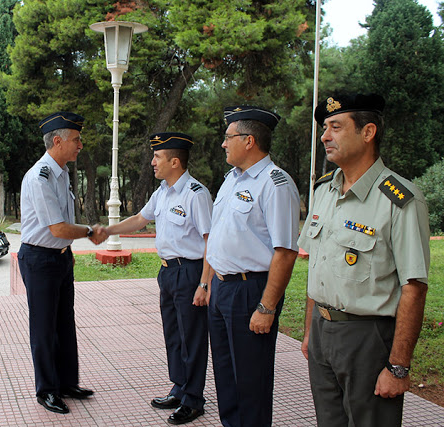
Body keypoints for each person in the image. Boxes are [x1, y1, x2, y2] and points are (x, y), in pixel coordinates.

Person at [299, 93, 430, 426]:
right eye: (324, 127)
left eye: (336, 127)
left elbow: (413, 286)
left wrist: (398, 366)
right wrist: (309, 333)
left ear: (368, 132)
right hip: (322, 333)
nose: (325, 136)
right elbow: (319, 265)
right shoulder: (324, 190)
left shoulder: (399, 199)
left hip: (367, 338)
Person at [103, 132, 212, 425]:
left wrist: (204, 283)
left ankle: (194, 399)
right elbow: (140, 219)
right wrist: (108, 231)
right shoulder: (162, 191)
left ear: (175, 161)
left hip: (190, 273)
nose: (152, 162)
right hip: (167, 272)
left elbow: (209, 241)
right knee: (174, 335)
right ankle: (179, 388)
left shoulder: (195, 194)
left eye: (158, 157)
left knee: (192, 338)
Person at [204, 106, 300, 426]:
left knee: (251, 380)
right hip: (222, 288)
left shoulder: (275, 183)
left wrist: (267, 306)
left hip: (250, 290)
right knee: (227, 376)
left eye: (228, 137)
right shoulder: (231, 180)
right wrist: (208, 284)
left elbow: (285, 251)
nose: (223, 144)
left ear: (249, 141)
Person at [17, 111, 107, 414]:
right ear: (58, 141)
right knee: (44, 328)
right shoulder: (40, 176)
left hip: (60, 257)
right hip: (40, 258)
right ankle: (47, 390)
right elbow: (57, 228)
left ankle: (67, 382)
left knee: (64, 323)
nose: (80, 145)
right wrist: (90, 232)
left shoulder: (61, 172)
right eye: (76, 140)